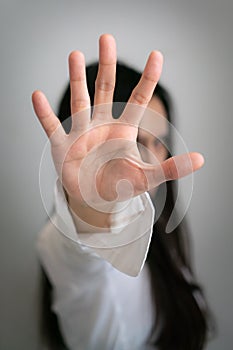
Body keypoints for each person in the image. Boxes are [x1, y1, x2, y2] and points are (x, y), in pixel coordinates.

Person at [32, 34, 212, 350]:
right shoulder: (63, 245)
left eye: (160, 143)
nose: (152, 160)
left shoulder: (163, 225)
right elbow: (84, 256)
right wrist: (91, 206)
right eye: (136, 143)